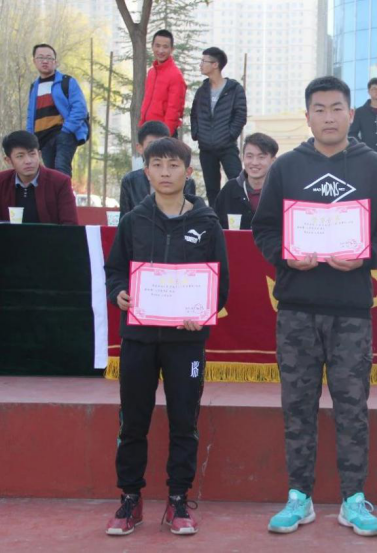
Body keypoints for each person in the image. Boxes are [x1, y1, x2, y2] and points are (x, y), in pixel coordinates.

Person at [251, 77, 377, 537]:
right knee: (297, 406)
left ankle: (353, 499)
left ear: (351, 114)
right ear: (308, 117)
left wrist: (365, 256)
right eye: (319, 109)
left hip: (351, 311)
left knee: (352, 407)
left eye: (337, 108)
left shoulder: (375, 167)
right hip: (297, 309)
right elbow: (264, 229)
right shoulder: (286, 168)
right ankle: (299, 497)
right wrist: (286, 255)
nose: (329, 117)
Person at [103, 138, 229, 537]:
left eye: (173, 165)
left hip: (185, 343)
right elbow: (115, 271)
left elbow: (220, 283)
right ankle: (130, 498)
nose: (165, 172)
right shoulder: (132, 221)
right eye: (157, 165)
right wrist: (119, 293)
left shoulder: (207, 223)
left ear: (188, 173)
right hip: (139, 339)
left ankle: (178, 499)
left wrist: (201, 314)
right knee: (133, 420)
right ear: (146, 172)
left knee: (183, 420)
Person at [191, 47, 248, 207]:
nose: (201, 64)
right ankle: (215, 218)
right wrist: (197, 134)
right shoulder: (202, 90)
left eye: (204, 61)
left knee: (238, 183)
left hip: (227, 146)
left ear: (215, 64)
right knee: (211, 189)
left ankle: (242, 215)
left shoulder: (234, 89)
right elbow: (194, 114)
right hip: (206, 148)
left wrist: (230, 135)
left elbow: (240, 115)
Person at [26, 44, 89, 177]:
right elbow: (31, 115)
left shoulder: (67, 82)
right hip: (43, 138)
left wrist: (67, 130)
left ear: (55, 62)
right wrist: (30, 139)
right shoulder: (34, 87)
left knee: (62, 169)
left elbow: (80, 109)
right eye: (41, 57)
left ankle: (65, 192)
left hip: (63, 134)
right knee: (51, 175)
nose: (45, 61)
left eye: (49, 58)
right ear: (34, 61)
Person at [119, 121, 197, 217]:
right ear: (140, 148)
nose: (158, 149)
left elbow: (190, 215)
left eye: (162, 144)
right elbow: (125, 219)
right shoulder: (130, 181)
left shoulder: (185, 180)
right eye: (151, 144)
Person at [1, 131, 78, 225]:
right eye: (20, 156)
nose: (28, 161)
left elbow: (70, 225)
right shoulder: (2, 182)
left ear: (39, 154)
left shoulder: (60, 182)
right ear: (8, 160)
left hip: (50, 235)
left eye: (32, 154)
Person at [215, 133, 278, 230]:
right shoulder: (229, 190)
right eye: (249, 156)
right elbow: (215, 227)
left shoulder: (281, 191)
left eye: (261, 157)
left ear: (273, 160)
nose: (254, 162)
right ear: (243, 157)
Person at [139, 30, 187, 137]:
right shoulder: (151, 72)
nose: (160, 50)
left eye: (165, 47)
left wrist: (165, 137)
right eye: (157, 46)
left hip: (163, 135)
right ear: (152, 46)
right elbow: (146, 102)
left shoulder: (175, 75)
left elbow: (173, 111)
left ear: (172, 49)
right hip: (147, 131)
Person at [349, 78, 377, 163]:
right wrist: (362, 147)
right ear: (369, 91)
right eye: (374, 89)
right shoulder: (360, 112)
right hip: (367, 156)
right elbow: (352, 133)